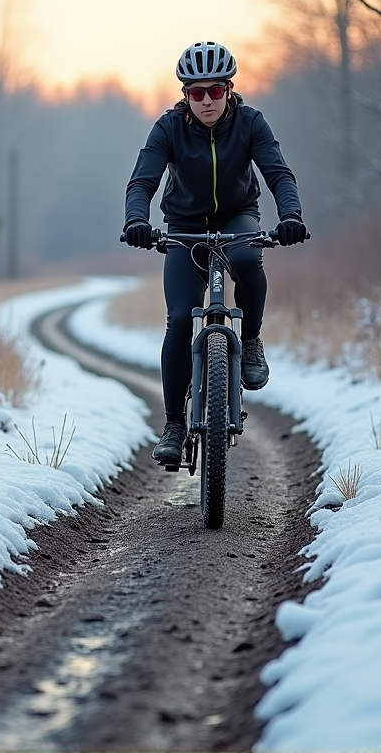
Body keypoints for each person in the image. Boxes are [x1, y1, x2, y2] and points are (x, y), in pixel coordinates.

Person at [123, 41, 309, 467]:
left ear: (230, 89)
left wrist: (291, 215)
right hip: (185, 226)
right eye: (196, 92)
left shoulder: (250, 123)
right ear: (185, 95)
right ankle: (173, 425)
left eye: (216, 91)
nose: (207, 100)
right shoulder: (168, 129)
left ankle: (251, 339)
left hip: (238, 216)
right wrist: (136, 220)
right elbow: (142, 182)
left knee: (247, 259)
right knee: (178, 319)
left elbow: (279, 174)